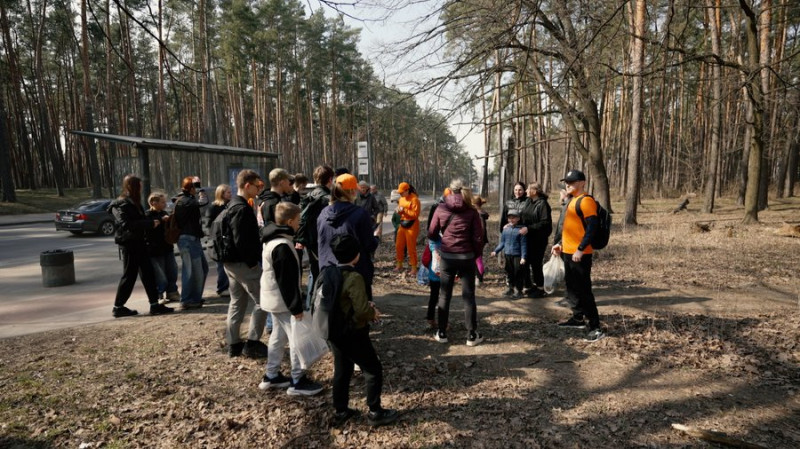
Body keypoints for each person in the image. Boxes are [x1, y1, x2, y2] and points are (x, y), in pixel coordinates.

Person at [326, 233, 399, 427]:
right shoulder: (354, 277)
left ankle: (341, 410)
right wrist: (371, 312)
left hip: (334, 330)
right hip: (353, 332)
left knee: (342, 369)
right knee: (373, 369)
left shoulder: (328, 272)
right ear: (356, 255)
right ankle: (375, 412)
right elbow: (360, 310)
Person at [258, 202, 324, 396]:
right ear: (289, 221)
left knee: (277, 337)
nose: (299, 224)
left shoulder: (273, 238)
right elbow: (285, 281)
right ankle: (297, 380)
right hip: (283, 301)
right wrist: (296, 307)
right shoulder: (282, 246)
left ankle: (271, 375)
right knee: (296, 339)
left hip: (272, 298)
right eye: (298, 220)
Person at [427, 179, 484, 346]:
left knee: (444, 295)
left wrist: (443, 242)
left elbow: (431, 232)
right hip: (466, 257)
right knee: (469, 296)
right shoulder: (472, 210)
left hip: (447, 257)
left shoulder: (441, 208)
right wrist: (475, 254)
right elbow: (478, 237)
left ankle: (442, 332)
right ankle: (472, 335)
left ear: (449, 191)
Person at [108, 174, 174, 317]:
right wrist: (150, 224)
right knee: (129, 275)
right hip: (130, 244)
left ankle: (154, 304)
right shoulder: (120, 203)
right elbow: (127, 225)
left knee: (148, 274)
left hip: (140, 242)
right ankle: (118, 306)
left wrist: (156, 220)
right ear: (132, 187)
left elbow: (142, 219)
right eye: (139, 186)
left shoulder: (134, 202)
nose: (141, 188)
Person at [551, 169, 605, 342]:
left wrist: (580, 249)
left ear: (582, 183)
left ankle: (596, 327)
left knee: (584, 290)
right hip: (568, 252)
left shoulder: (586, 201)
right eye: (566, 182)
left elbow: (592, 228)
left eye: (572, 182)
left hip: (580, 254)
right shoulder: (572, 201)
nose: (568, 184)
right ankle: (578, 318)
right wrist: (560, 244)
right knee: (571, 288)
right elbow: (570, 228)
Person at [223, 169, 270, 358]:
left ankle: (233, 344)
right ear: (247, 185)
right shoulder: (241, 208)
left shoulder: (233, 204)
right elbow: (241, 240)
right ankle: (252, 343)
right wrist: (252, 263)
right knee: (263, 301)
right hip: (243, 263)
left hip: (231, 263)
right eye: (257, 186)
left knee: (237, 303)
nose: (259, 189)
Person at [317, 173, 379, 301]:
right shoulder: (360, 214)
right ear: (351, 191)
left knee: (334, 313)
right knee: (358, 313)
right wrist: (376, 238)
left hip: (328, 273)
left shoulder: (323, 213)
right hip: (355, 274)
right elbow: (369, 245)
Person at [296, 165, 335, 308]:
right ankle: (318, 307)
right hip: (323, 241)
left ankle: (310, 306)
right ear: (330, 179)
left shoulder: (309, 195)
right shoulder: (327, 198)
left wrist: (301, 239)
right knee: (322, 274)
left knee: (314, 271)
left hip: (311, 240)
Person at [174, 176, 209, 309]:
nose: (198, 189)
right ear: (190, 188)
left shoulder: (186, 200)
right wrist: (202, 193)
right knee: (191, 271)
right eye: (195, 186)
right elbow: (203, 202)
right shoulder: (185, 201)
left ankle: (194, 297)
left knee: (202, 269)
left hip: (193, 239)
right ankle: (187, 300)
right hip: (188, 240)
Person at [144, 191, 180, 303]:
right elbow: (148, 230)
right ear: (153, 203)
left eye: (165, 201)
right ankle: (159, 295)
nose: (165, 204)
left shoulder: (164, 213)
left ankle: (172, 292)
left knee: (172, 271)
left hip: (167, 247)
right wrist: (161, 221)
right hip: (155, 250)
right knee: (160, 276)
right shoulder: (147, 215)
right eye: (162, 202)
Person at [519, 182, 553, 297]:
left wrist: (529, 228)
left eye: (528, 189)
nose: (526, 191)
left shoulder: (543, 204)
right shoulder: (528, 201)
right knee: (525, 262)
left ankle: (540, 288)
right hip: (527, 238)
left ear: (535, 191)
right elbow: (523, 216)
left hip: (538, 239)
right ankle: (529, 286)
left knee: (536, 264)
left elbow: (545, 222)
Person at [500, 182, 532, 292]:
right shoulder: (508, 203)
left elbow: (530, 219)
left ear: (524, 191)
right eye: (516, 189)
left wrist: (526, 228)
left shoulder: (528, 202)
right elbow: (504, 219)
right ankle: (510, 286)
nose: (518, 192)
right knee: (509, 266)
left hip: (523, 235)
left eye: (520, 189)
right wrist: (504, 230)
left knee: (521, 264)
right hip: (510, 236)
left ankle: (524, 286)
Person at [491, 210, 527, 298]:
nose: (511, 220)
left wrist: (523, 257)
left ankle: (519, 291)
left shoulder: (521, 230)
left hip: (517, 255)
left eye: (514, 218)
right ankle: (510, 288)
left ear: (518, 218)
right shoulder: (505, 230)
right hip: (507, 254)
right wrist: (496, 251)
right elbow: (502, 243)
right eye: (510, 218)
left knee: (518, 272)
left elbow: (523, 245)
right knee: (509, 272)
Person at [206, 184, 232, 297]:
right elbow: (208, 225)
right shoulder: (213, 208)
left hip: (228, 239)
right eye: (228, 192)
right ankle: (222, 287)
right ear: (221, 194)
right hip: (218, 240)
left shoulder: (230, 206)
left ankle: (227, 286)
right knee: (221, 265)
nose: (231, 194)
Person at [394, 182, 421, 276]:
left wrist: (404, 210)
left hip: (412, 225)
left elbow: (415, 215)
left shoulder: (415, 199)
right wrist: (398, 211)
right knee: (398, 245)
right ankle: (399, 264)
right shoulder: (401, 199)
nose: (400, 194)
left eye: (402, 192)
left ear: (407, 190)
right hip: (403, 223)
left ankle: (414, 267)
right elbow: (401, 211)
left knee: (411, 247)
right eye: (400, 193)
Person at [474, 196, 489, 285]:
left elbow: (482, 229)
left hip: (478, 240)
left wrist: (478, 240)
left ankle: (479, 277)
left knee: (477, 259)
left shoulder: (478, 214)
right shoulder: (481, 213)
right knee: (478, 258)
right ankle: (479, 277)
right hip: (480, 240)